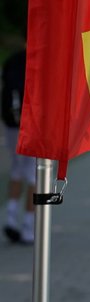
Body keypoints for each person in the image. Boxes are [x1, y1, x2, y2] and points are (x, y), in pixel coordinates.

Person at [2, 48, 35, 244]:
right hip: (32, 125)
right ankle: (29, 227)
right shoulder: (39, 59)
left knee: (16, 170)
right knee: (33, 175)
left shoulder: (12, 59)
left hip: (11, 125)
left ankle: (11, 218)